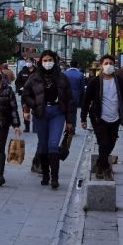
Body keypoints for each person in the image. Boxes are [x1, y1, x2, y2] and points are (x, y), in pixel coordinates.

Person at [22, 50, 75, 189]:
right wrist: (33, 106)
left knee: (53, 144)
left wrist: (70, 121)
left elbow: (70, 101)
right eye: (45, 60)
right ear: (41, 62)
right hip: (41, 114)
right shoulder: (34, 78)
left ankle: (55, 178)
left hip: (57, 113)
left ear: (54, 61)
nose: (47, 63)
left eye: (50, 60)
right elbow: (25, 95)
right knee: (43, 146)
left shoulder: (63, 78)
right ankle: (45, 174)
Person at [80, 55, 123, 181]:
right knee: (103, 142)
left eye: (111, 63)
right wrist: (83, 118)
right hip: (99, 117)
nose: (109, 65)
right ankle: (105, 168)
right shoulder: (94, 82)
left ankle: (100, 164)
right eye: (106, 63)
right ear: (101, 65)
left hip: (115, 117)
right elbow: (86, 100)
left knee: (110, 143)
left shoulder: (119, 81)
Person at [15, 58, 36, 133]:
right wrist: (20, 87)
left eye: (29, 62)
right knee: (25, 110)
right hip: (25, 95)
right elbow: (17, 82)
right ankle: (27, 127)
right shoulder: (22, 71)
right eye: (27, 62)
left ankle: (35, 127)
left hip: (35, 95)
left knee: (36, 111)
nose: (28, 63)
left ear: (33, 62)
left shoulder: (37, 72)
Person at [63, 60, 85, 131]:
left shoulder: (64, 73)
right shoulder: (80, 74)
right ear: (77, 65)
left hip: (65, 96)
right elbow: (82, 88)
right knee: (73, 112)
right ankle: (73, 128)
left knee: (65, 111)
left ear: (70, 65)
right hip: (75, 97)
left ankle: (66, 126)